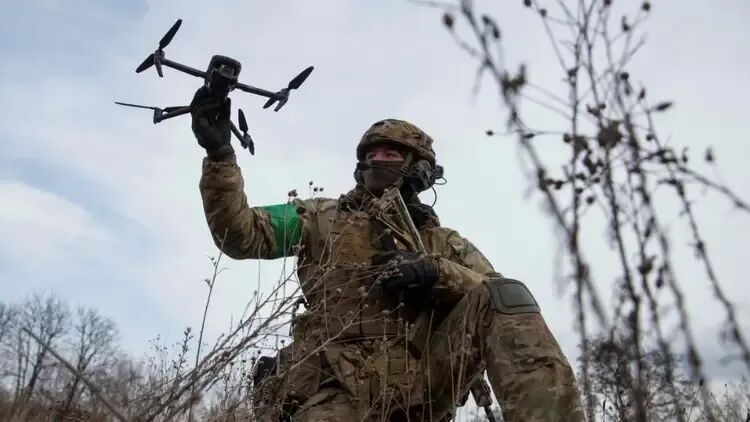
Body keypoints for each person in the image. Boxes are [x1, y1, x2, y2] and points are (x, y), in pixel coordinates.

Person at [191, 87, 584, 421]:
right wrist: (220, 155)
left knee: (507, 295)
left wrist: (435, 272)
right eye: (372, 154)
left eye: (391, 154)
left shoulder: (444, 243)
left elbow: (494, 293)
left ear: (420, 169)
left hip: (420, 382)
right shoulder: (319, 217)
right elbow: (240, 233)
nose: (378, 159)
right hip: (335, 386)